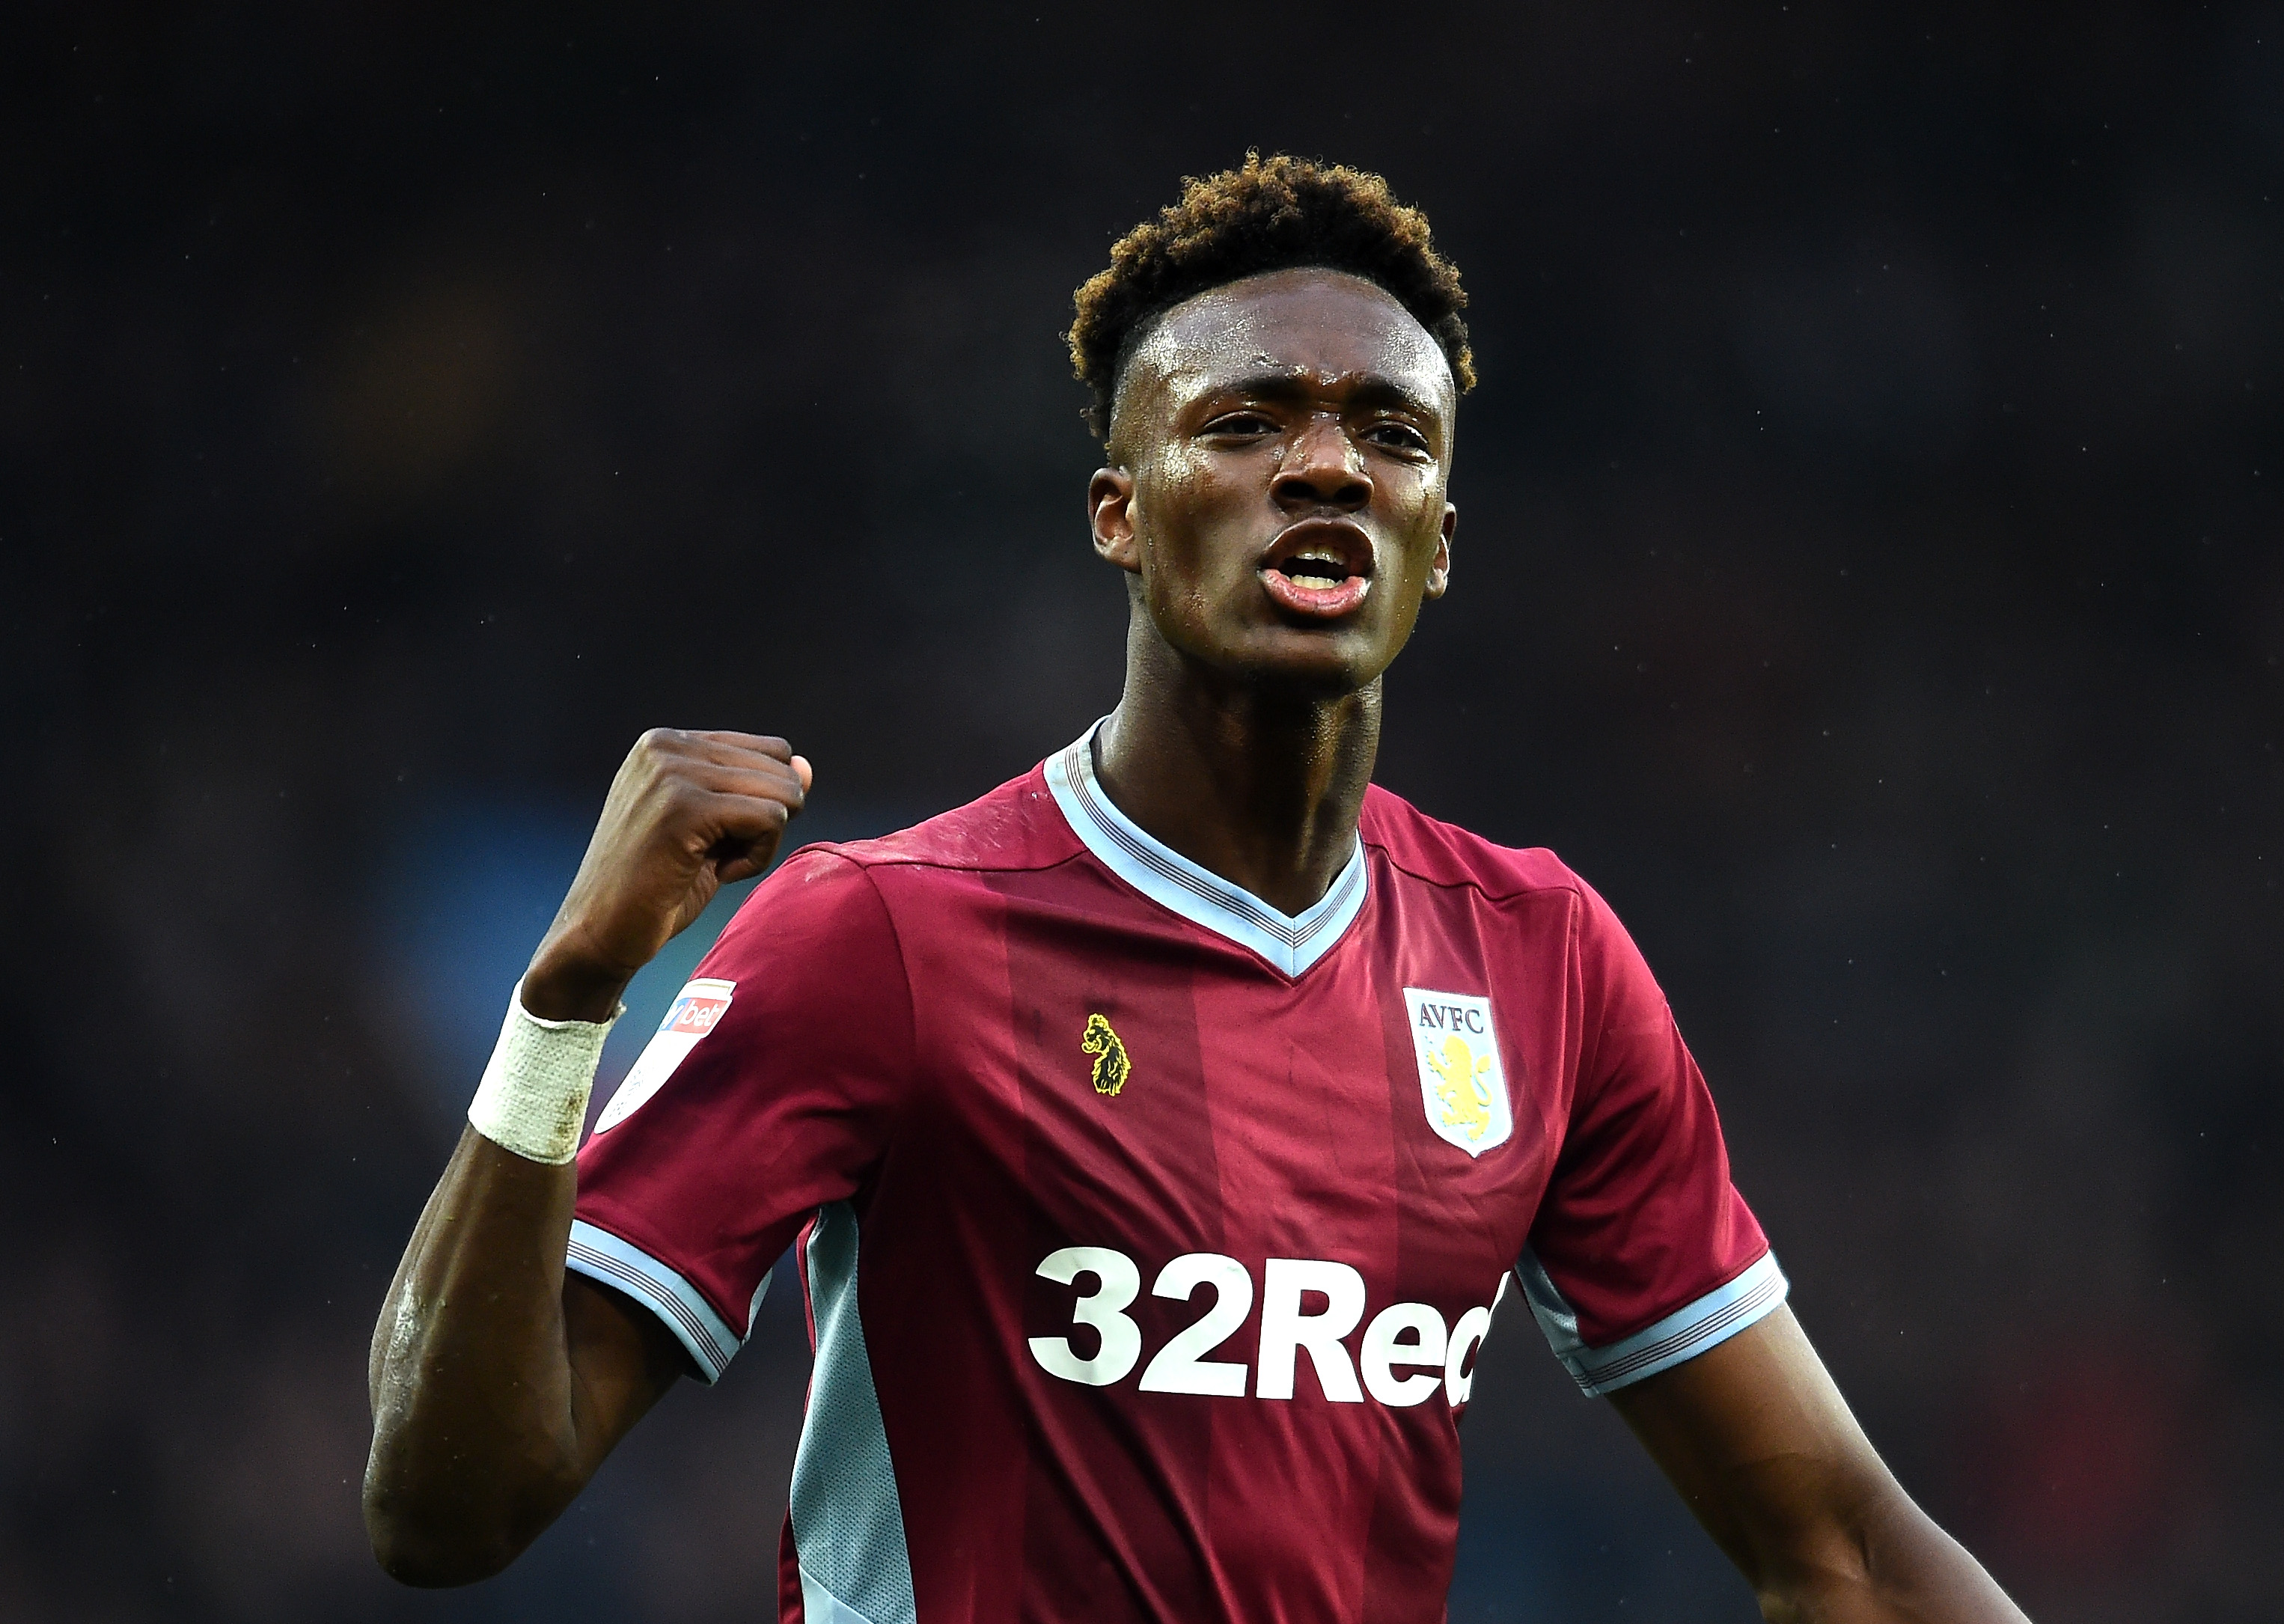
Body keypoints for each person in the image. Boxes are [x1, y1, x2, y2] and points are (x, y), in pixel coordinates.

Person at [364, 153, 2030, 1623]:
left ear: (1438, 532)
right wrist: (566, 1000)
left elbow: (1843, 1552)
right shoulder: (886, 934)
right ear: (1118, 513)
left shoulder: (1543, 964)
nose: (1325, 466)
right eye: (1242, 425)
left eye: (1389, 432)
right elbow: (446, 1508)